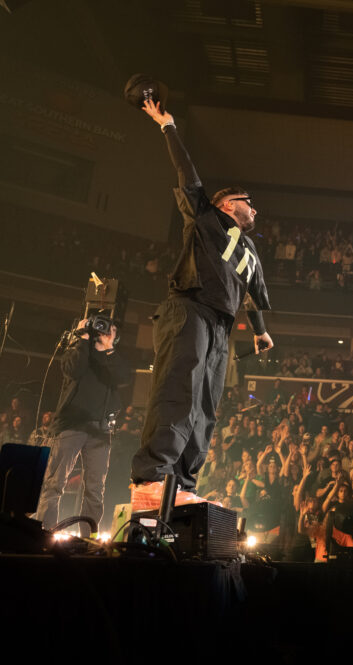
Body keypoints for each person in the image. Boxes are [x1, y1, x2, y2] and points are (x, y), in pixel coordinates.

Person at [129, 96, 273, 510]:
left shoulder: (246, 250)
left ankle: (183, 483)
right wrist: (168, 126)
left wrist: (260, 331)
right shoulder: (206, 218)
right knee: (178, 388)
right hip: (189, 308)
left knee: (206, 404)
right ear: (228, 204)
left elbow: (248, 290)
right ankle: (151, 478)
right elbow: (188, 174)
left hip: (220, 324)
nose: (255, 209)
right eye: (249, 202)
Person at [36, 317, 130, 535]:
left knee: (95, 489)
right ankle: (43, 532)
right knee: (55, 483)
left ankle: (89, 538)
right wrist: (83, 337)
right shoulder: (78, 351)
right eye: (103, 327)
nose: (106, 331)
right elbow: (73, 370)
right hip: (71, 424)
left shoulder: (110, 359)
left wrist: (108, 348)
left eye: (112, 330)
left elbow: (123, 376)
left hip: (100, 430)